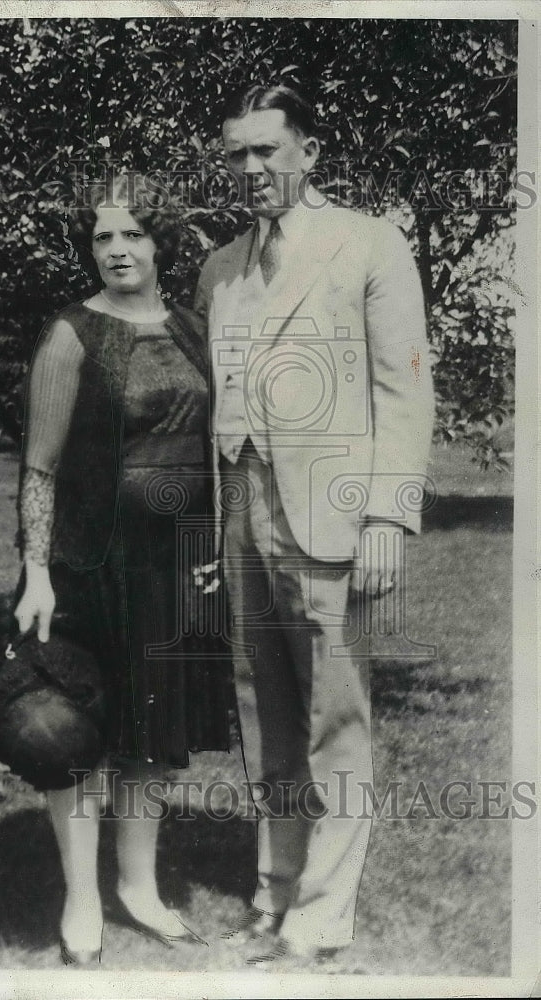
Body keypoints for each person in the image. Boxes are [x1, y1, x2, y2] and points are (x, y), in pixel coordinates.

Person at [195, 84, 435, 963]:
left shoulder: (370, 242)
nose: (252, 169)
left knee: (336, 715)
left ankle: (326, 912)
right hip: (243, 509)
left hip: (335, 514)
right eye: (237, 155)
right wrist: (216, 527)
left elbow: (404, 387)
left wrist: (385, 515)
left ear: (309, 152)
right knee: (266, 712)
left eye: (268, 150)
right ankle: (277, 889)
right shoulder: (218, 269)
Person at [13, 172, 231, 965]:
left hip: (175, 566)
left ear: (161, 241)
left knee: (153, 734)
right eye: (102, 236)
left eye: (132, 233)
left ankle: (138, 887)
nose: (116, 249)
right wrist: (38, 571)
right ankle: (81, 899)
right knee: (75, 732)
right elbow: (39, 468)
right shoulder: (72, 333)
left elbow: (216, 452)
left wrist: (211, 549)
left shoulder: (195, 329)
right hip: (86, 564)